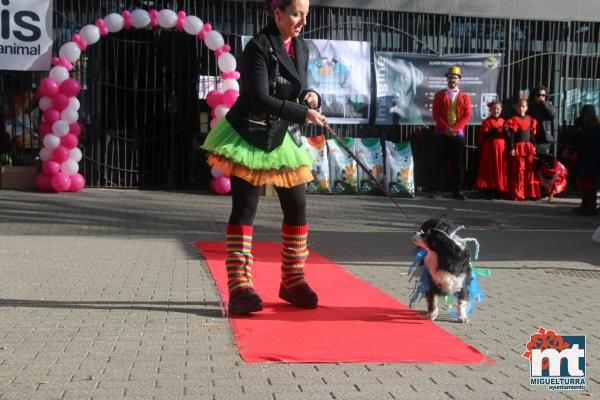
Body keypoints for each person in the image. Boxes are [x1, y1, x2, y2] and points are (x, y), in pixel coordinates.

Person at [201, 0, 327, 316]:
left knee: (297, 205)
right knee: (245, 206)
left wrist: (311, 97)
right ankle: (240, 285)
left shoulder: (302, 46)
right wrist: (303, 111)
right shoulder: (257, 46)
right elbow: (259, 97)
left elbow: (296, 88)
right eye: (297, 14)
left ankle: (292, 279)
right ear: (278, 14)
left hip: (284, 135)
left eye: (306, 14)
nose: (302, 21)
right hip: (250, 134)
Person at [430, 65, 472, 200]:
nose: (452, 79)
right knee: (439, 163)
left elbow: (467, 114)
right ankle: (438, 190)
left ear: (459, 80)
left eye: (455, 77)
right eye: (450, 77)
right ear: (447, 79)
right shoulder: (439, 95)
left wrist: (453, 129)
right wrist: (446, 127)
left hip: (457, 134)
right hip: (441, 134)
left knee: (457, 164)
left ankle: (457, 191)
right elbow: (436, 113)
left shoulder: (465, 96)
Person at [566, 105, 600, 215]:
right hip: (589, 158)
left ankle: (590, 207)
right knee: (585, 182)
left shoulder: (591, 128)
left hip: (590, 158)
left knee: (588, 183)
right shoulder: (591, 126)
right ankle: (586, 206)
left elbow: (583, 143)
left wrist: (570, 150)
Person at [505, 99, 540, 201]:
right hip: (519, 147)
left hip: (528, 147)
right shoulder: (514, 119)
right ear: (516, 108)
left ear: (527, 108)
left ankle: (529, 193)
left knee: (529, 169)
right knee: (519, 169)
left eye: (523, 106)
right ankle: (519, 193)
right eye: (519, 106)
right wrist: (512, 148)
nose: (521, 108)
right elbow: (512, 136)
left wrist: (534, 146)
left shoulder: (530, 119)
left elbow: (532, 135)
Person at [474, 101, 507, 198]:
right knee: (489, 169)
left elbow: (508, 136)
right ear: (490, 110)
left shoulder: (504, 121)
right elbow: (484, 136)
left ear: (501, 110)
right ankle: (488, 189)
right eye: (493, 109)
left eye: (497, 109)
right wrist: (494, 131)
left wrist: (507, 130)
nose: (495, 111)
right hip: (489, 148)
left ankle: (499, 189)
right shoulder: (486, 122)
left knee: (499, 169)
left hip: (501, 148)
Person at [528, 85, 556, 157]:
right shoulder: (531, 108)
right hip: (534, 138)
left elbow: (552, 115)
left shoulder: (548, 105)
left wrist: (543, 104)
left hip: (545, 139)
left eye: (543, 95)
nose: (541, 97)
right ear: (534, 96)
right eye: (539, 95)